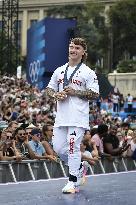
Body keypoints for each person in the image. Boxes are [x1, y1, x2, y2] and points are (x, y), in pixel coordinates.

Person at [46, 37, 99, 193]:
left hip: (78, 118)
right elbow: (49, 89)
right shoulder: (59, 70)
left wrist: (76, 92)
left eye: (77, 48)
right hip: (61, 118)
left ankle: (72, 182)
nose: (73, 50)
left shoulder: (87, 72)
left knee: (72, 147)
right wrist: (56, 95)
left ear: (83, 52)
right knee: (59, 149)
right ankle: (80, 167)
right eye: (71, 47)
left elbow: (95, 94)